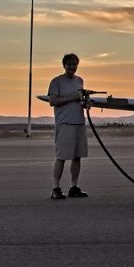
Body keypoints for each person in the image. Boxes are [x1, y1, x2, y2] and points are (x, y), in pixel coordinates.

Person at [47, 53, 89, 199]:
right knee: (62, 157)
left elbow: (80, 100)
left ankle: (74, 186)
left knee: (77, 157)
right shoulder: (56, 82)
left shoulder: (80, 81)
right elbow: (52, 101)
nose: (72, 67)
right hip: (65, 124)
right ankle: (55, 188)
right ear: (64, 65)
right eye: (69, 64)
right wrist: (73, 97)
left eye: (74, 64)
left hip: (79, 122)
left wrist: (85, 103)